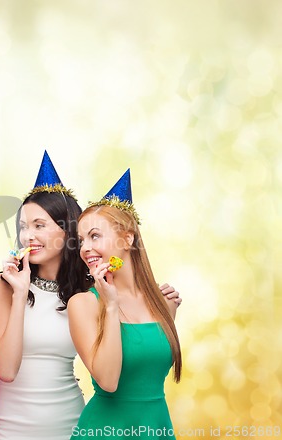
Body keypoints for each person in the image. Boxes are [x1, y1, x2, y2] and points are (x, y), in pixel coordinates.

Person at [0, 152, 181, 440]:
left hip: (72, 420)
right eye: (23, 227)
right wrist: (20, 293)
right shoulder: (4, 285)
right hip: (12, 425)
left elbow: (129, 340)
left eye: (39, 225)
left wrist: (160, 303)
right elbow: (5, 369)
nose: (28, 236)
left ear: (67, 231)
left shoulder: (89, 288)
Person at [68, 169, 182, 440]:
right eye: (81, 240)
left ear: (127, 239)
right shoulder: (83, 304)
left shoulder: (161, 303)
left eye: (95, 236)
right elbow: (108, 382)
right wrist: (110, 306)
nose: (85, 248)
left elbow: (150, 366)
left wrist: (169, 312)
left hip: (155, 428)